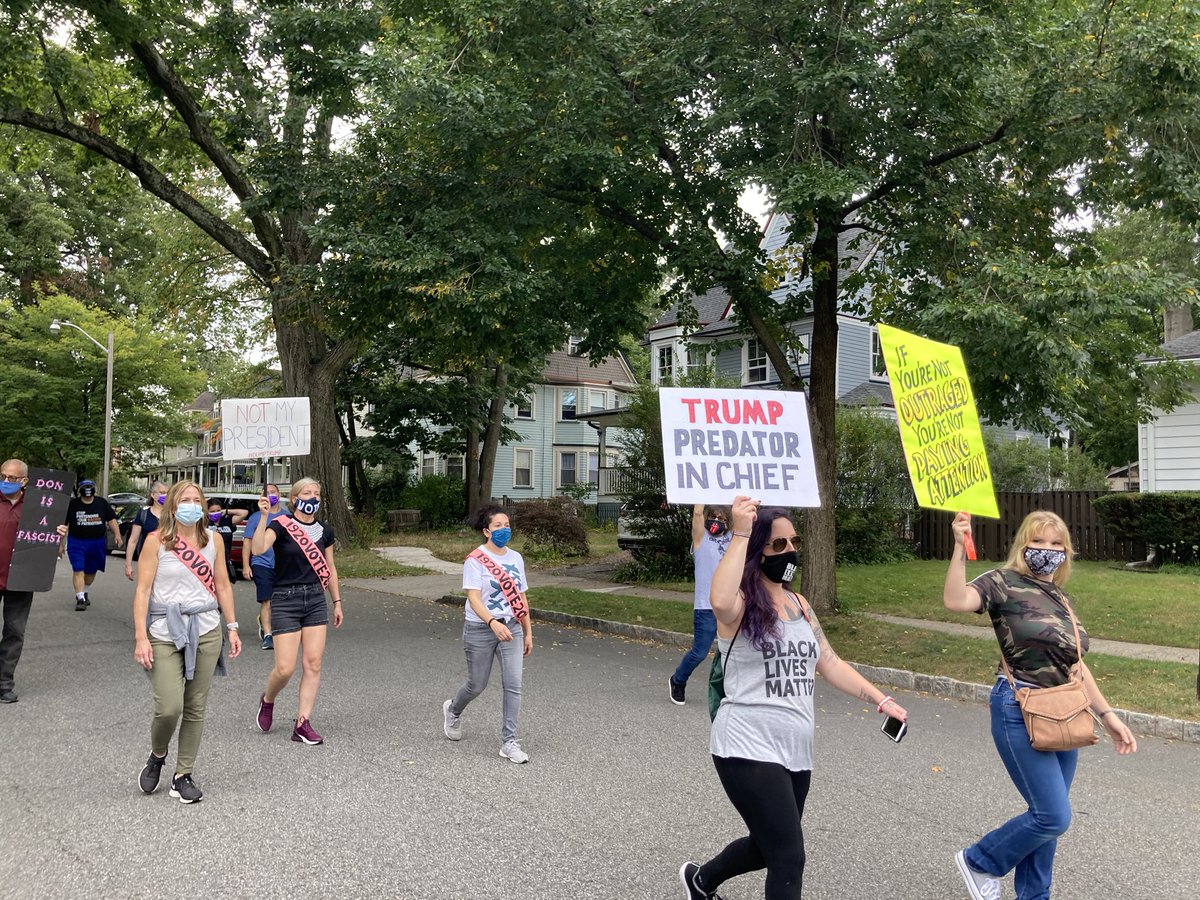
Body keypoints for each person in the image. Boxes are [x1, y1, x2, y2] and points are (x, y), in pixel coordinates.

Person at [680, 496, 908, 900]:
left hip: (795, 749)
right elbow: (717, 598)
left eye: (794, 542)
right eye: (778, 545)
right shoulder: (739, 605)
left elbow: (831, 662)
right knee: (789, 856)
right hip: (745, 744)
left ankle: (702, 880)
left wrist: (880, 699)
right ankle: (702, 881)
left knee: (768, 847)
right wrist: (742, 531)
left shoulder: (800, 605)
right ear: (756, 551)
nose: (790, 552)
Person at [944, 510, 1137, 900]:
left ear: (1065, 552)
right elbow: (955, 600)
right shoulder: (1002, 582)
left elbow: (1076, 666)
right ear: (1023, 545)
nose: (1046, 549)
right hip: (1019, 707)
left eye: (1055, 543)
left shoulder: (1062, 598)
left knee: (1045, 820)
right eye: (1037, 541)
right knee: (1052, 815)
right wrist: (958, 547)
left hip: (1065, 711)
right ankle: (980, 860)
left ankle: (1034, 896)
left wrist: (1108, 715)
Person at [132, 481, 242, 803]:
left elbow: (222, 585)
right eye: (185, 500)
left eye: (197, 500)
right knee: (169, 707)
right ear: (172, 506)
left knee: (195, 707)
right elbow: (142, 591)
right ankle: (157, 754)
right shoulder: (156, 542)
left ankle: (183, 775)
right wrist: (141, 637)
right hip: (165, 630)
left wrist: (232, 628)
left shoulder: (214, 541)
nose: (192, 505)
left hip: (206, 627)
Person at [251, 478, 342, 745]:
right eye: (306, 492)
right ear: (294, 497)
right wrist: (264, 517)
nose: (312, 496)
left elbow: (330, 567)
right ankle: (268, 700)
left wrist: (336, 601)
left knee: (313, 663)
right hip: (285, 598)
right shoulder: (281, 525)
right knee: (285, 668)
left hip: (314, 598)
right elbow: (258, 549)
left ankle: (303, 722)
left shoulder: (325, 530)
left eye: (316, 492)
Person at [442, 505, 534, 764]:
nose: (504, 529)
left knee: (513, 685)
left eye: (507, 525)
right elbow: (473, 597)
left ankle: (509, 741)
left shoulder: (515, 558)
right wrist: (492, 622)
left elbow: (521, 597)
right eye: (498, 526)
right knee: (477, 684)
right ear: (486, 531)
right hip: (481, 628)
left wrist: (528, 631)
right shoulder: (475, 559)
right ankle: (453, 709)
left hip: (512, 627)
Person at [0, 459, 68, 703]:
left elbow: (50, 543)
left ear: (25, 481)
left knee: (14, 631)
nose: (6, 481)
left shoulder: (39, 506)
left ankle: (4, 683)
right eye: (3, 476)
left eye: (12, 478)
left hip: (21, 578)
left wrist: (58, 535)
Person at [670, 504, 731, 705]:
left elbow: (744, 524)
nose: (717, 521)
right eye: (713, 516)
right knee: (700, 652)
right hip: (706, 607)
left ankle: (730, 691)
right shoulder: (701, 539)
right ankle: (678, 680)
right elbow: (697, 513)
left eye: (722, 519)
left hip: (730, 606)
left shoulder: (732, 540)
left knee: (734, 652)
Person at [61, 478, 122, 610]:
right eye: (84, 486)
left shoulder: (102, 503)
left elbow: (111, 520)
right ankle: (80, 598)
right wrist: (60, 544)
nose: (87, 489)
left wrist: (117, 535)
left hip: (97, 542)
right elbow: (64, 525)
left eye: (90, 486)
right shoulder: (73, 505)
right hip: (76, 542)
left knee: (91, 571)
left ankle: (85, 590)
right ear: (79, 490)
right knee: (78, 569)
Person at [243, 485, 286, 651]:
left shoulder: (287, 516)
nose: (270, 495)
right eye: (267, 493)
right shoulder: (255, 518)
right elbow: (247, 542)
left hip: (282, 565)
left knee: (279, 599)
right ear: (261, 496)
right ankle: (268, 635)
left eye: (273, 492)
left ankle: (267, 622)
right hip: (261, 563)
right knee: (266, 599)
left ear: (279, 494)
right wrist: (246, 565)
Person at [125, 482, 168, 581]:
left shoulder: (174, 515)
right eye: (162, 492)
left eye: (167, 493)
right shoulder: (143, 514)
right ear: (153, 495)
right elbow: (133, 540)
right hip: (147, 560)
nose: (165, 495)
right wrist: (128, 565)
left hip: (168, 560)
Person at [206, 498, 248, 586]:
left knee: (224, 588)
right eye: (212, 511)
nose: (216, 513)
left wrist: (227, 511)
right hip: (208, 561)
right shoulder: (204, 523)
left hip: (225, 561)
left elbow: (244, 513)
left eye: (218, 510)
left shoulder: (227, 521)